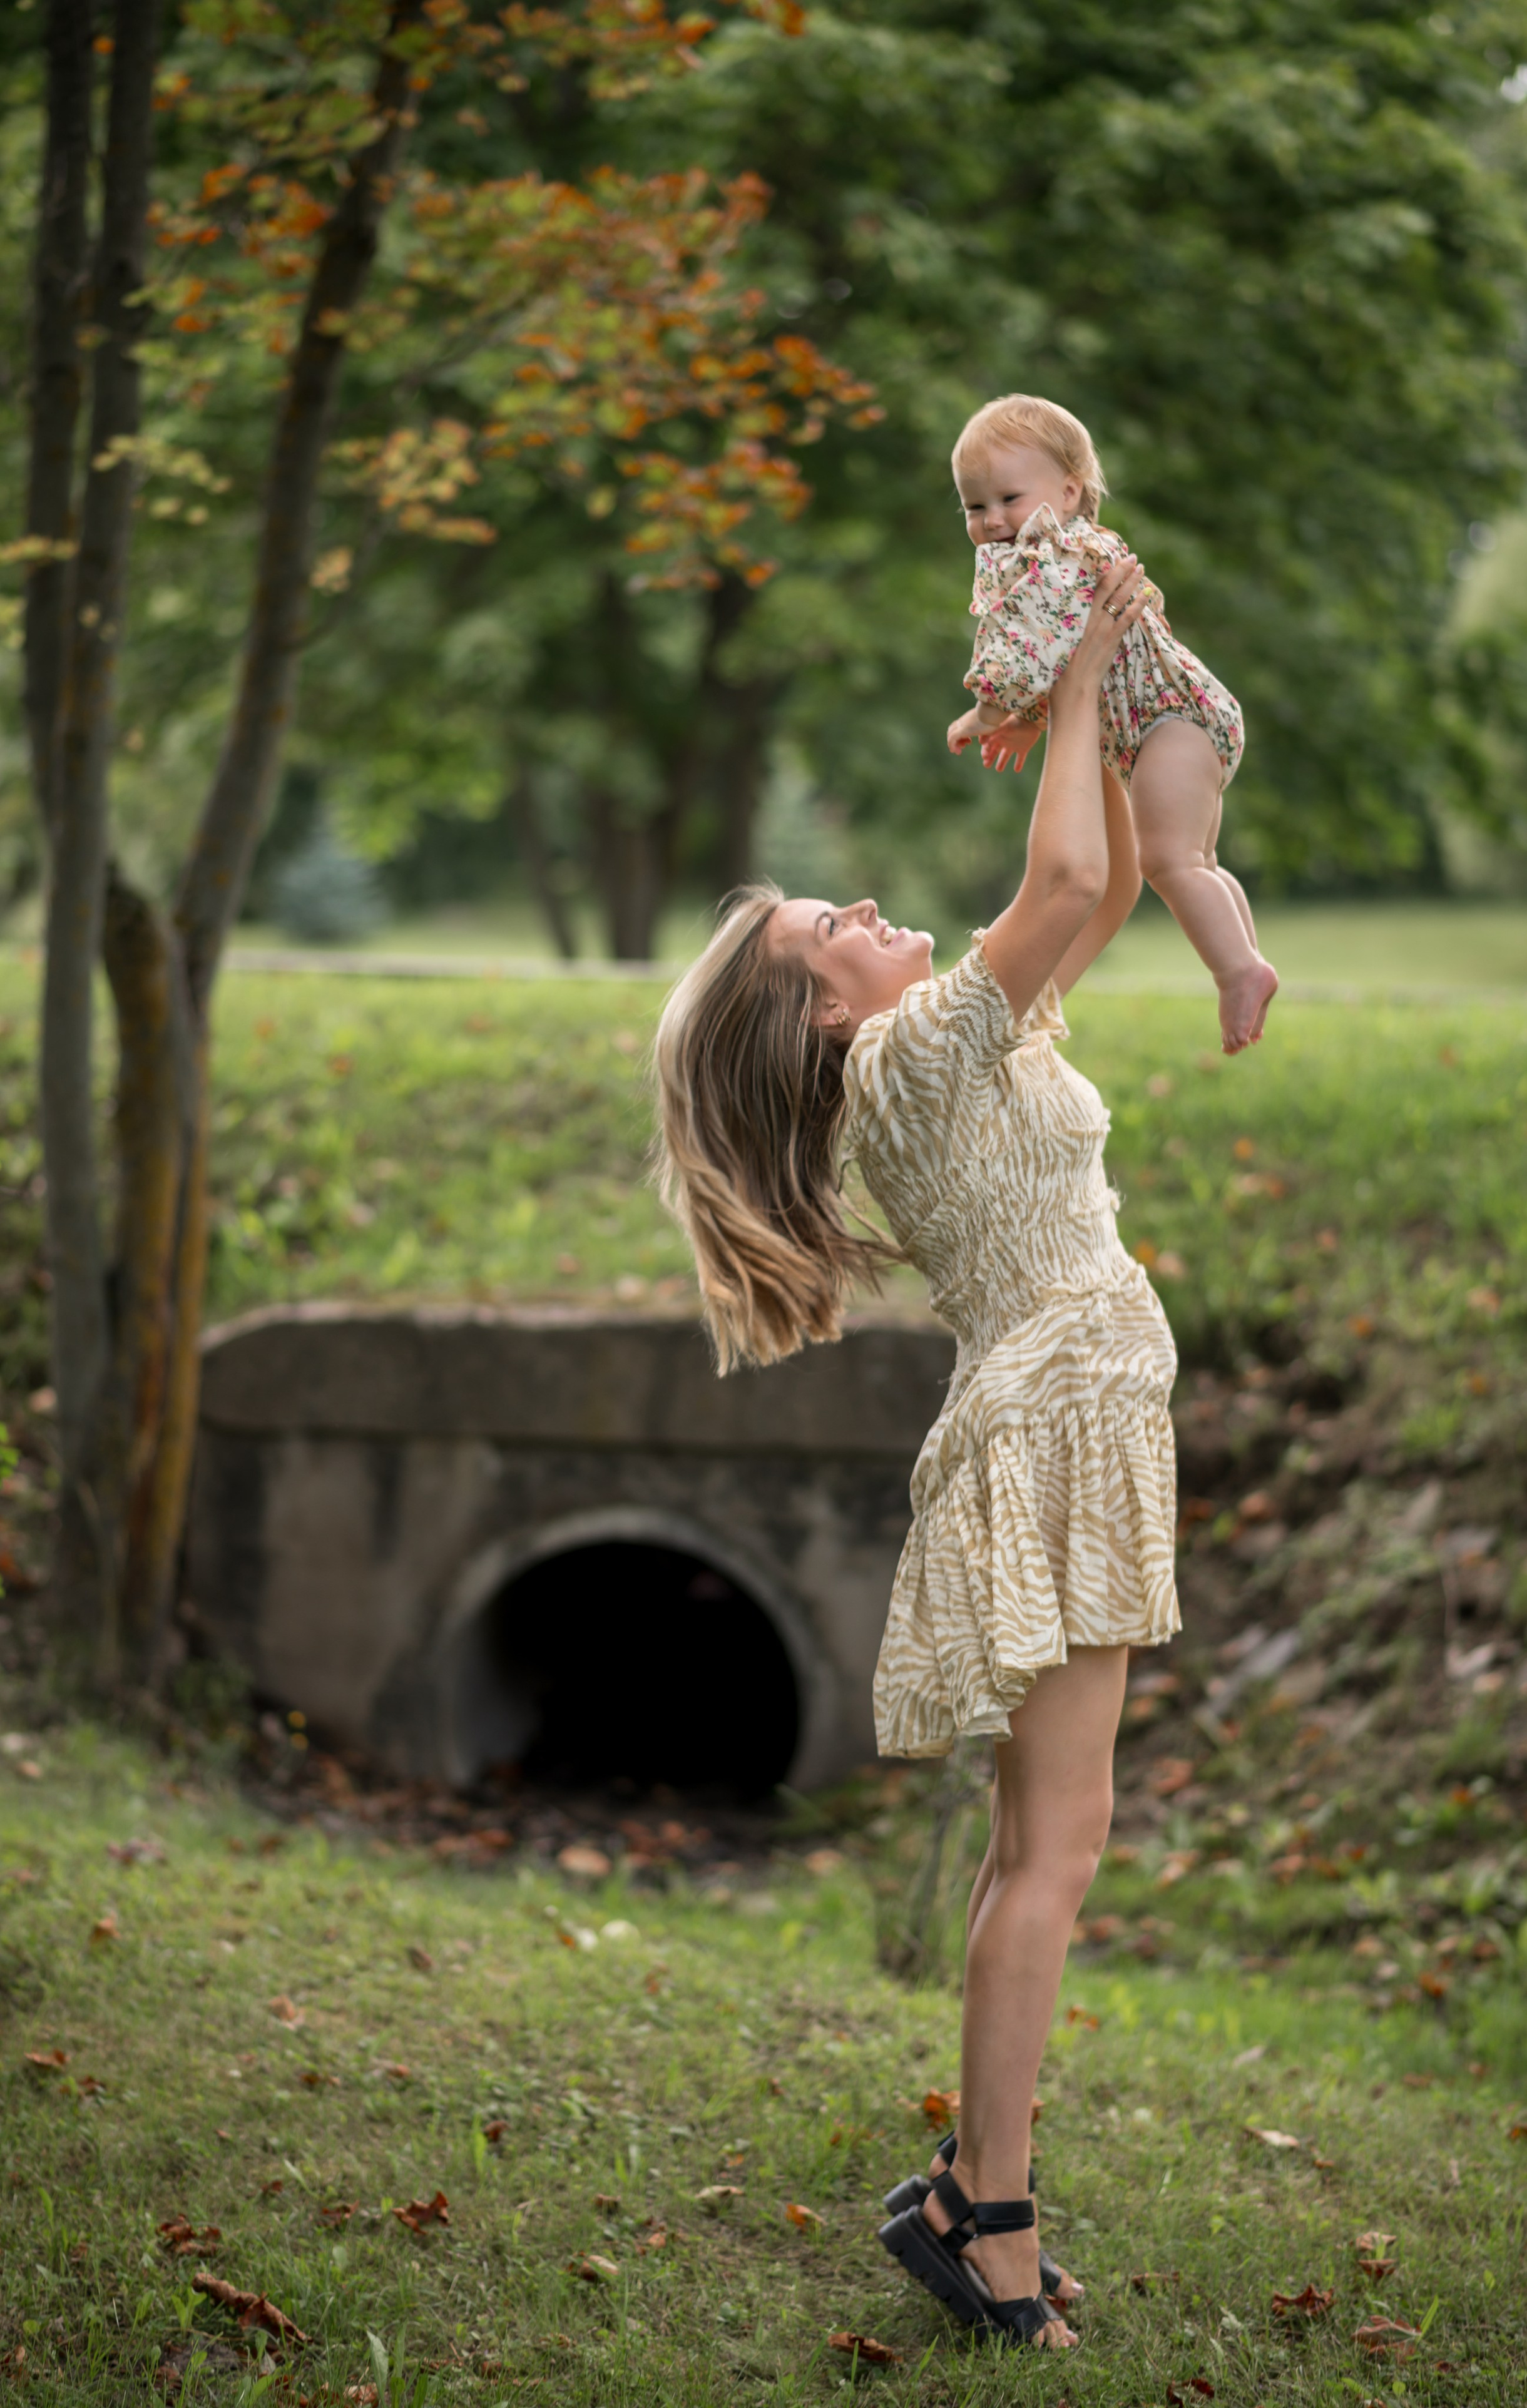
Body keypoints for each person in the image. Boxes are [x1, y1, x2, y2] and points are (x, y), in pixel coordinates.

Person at [653, 556, 1180, 2352]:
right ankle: (989, 2215)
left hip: (1065, 1414)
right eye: (833, 925)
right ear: (821, 1009)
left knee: (1041, 1845)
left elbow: (1106, 888)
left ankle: (974, 2187)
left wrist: (1089, 706)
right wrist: (1079, 660)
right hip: (1051, 1426)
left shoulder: (948, 1046)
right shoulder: (903, 1063)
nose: (871, 908)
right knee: (1053, 1852)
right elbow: (1062, 884)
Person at [946, 392, 1276, 1055]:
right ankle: (1247, 959)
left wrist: (987, 712)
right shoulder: (1070, 555)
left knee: (1166, 861)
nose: (992, 519)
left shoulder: (1051, 559)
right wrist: (1029, 724)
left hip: (1167, 723)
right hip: (1179, 720)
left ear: (1069, 492)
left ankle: (1237, 971)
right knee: (1198, 862)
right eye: (974, 507)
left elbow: (1026, 654)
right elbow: (1069, 661)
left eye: (1008, 498)